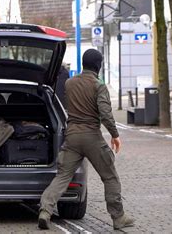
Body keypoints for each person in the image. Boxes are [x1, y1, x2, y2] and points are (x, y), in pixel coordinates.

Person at [38, 49, 134, 230]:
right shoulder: (99, 86)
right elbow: (105, 114)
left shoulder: (69, 83)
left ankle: (45, 211)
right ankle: (118, 217)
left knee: (62, 177)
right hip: (92, 137)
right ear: (98, 65)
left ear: (83, 63)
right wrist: (114, 135)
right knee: (110, 176)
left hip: (72, 137)